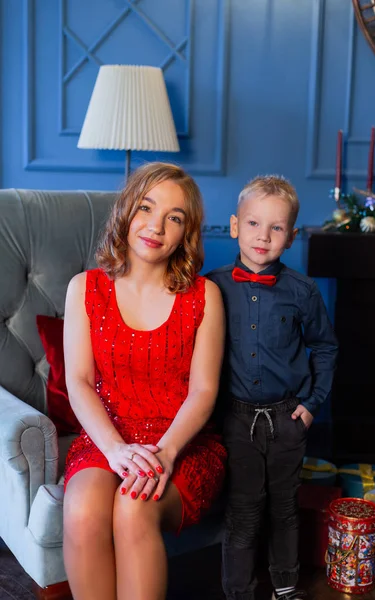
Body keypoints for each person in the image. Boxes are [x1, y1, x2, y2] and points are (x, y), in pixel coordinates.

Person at [63, 162, 227, 600]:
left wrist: (168, 453)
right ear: (126, 211)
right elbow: (78, 382)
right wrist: (115, 449)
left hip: (181, 443)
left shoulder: (204, 297)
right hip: (107, 437)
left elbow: (204, 391)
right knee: (81, 509)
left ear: (186, 233)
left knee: (135, 507)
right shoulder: (85, 288)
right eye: (146, 207)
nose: (156, 226)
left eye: (174, 218)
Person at [207, 175, 338, 600]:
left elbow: (324, 346)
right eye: (253, 224)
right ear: (233, 226)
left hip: (288, 417)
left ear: (291, 236)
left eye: (276, 228)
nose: (263, 236)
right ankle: (239, 592)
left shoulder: (302, 291)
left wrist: (313, 404)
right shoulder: (212, 287)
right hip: (236, 418)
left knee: (284, 507)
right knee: (244, 509)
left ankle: (285, 586)